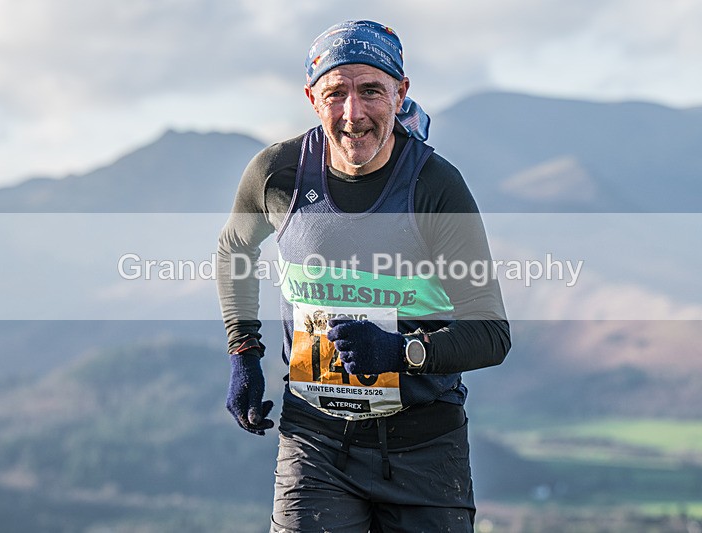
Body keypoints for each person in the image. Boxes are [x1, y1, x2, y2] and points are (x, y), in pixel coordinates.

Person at [217, 20, 510, 532]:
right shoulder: (277, 174)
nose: (353, 114)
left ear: (401, 93)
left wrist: (400, 352)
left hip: (424, 448)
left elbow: (491, 333)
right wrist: (244, 352)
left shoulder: (435, 187)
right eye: (336, 93)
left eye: (371, 90)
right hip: (315, 443)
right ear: (312, 98)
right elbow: (234, 249)